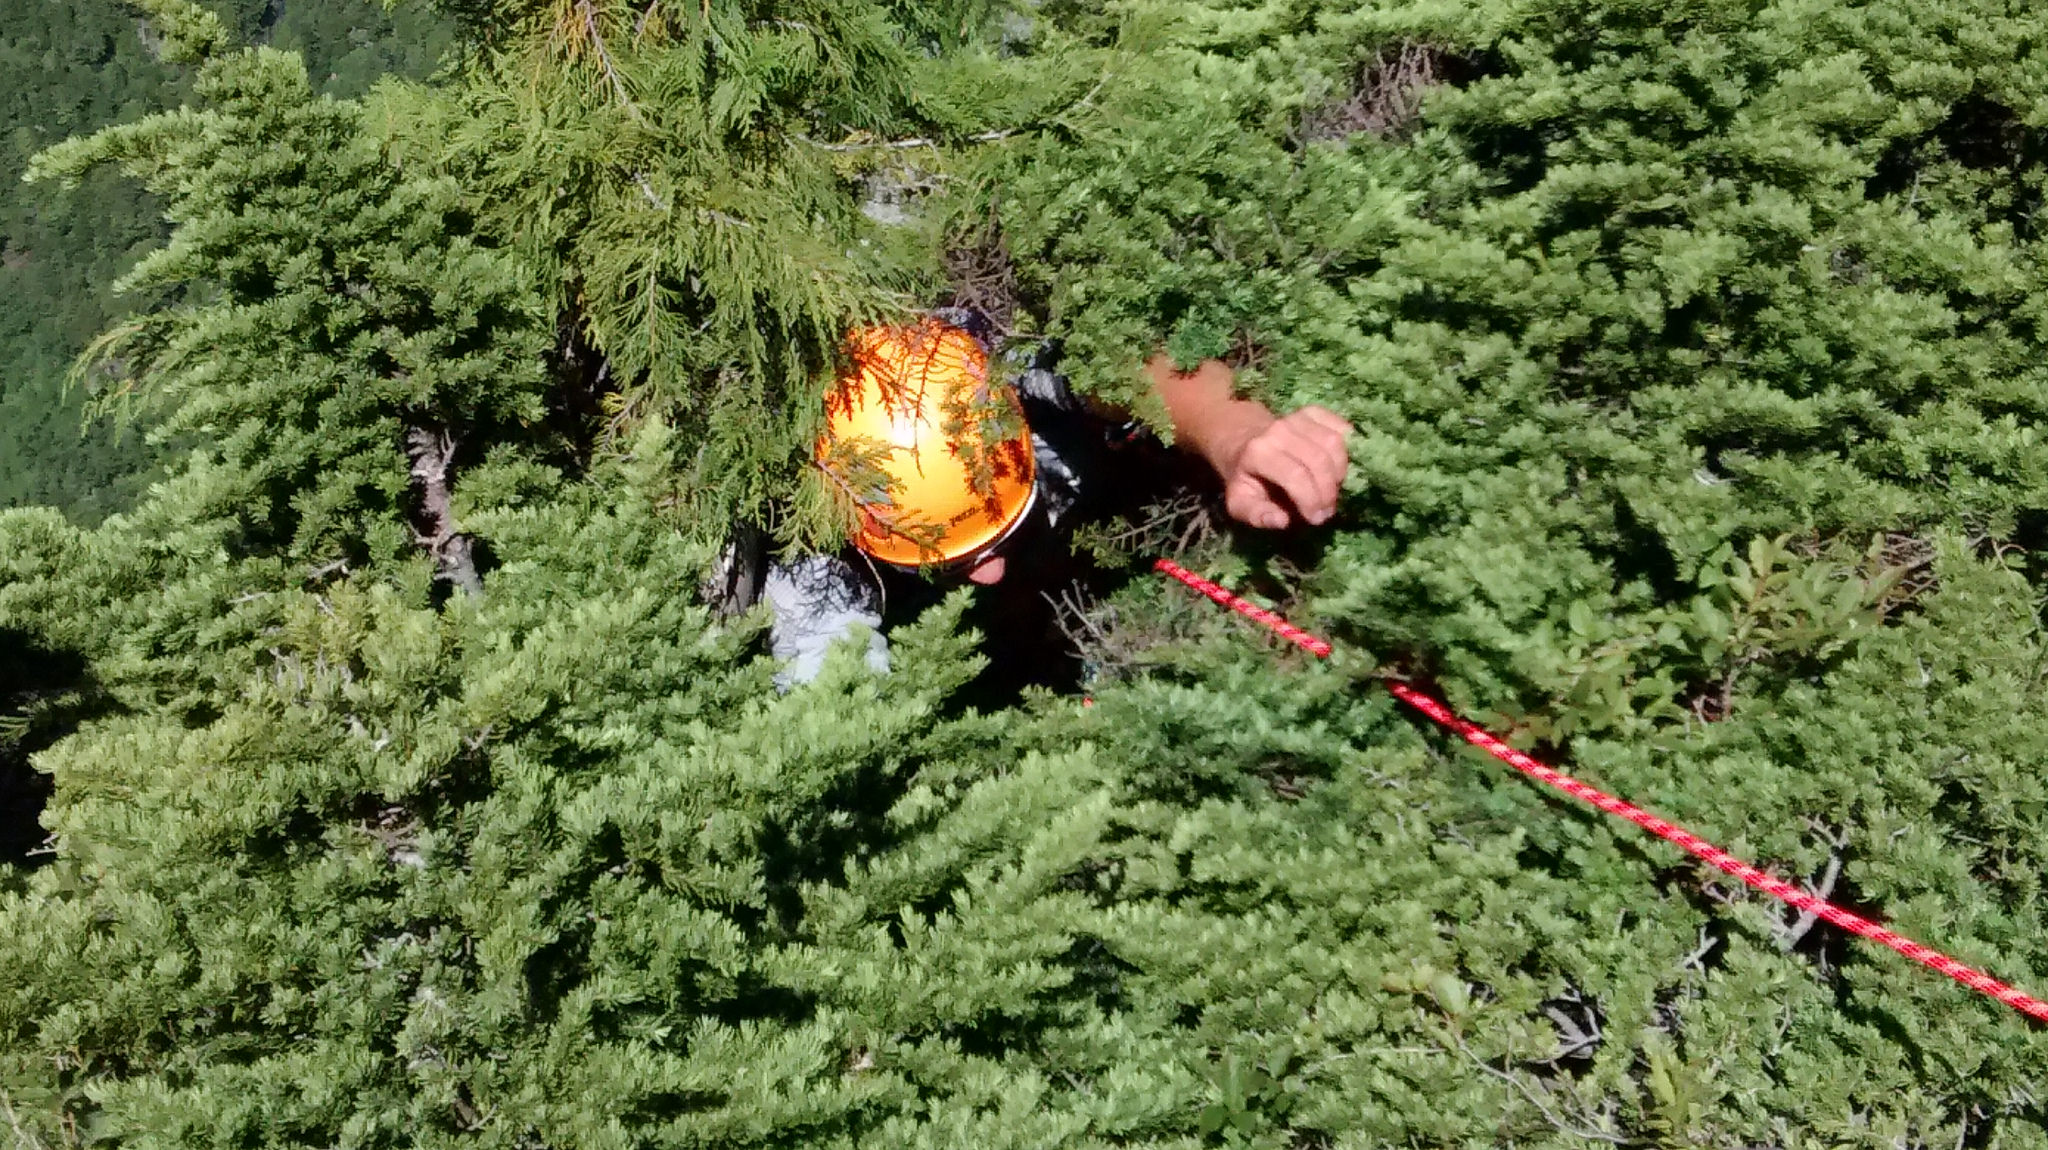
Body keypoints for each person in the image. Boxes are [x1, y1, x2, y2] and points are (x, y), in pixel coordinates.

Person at [749, 310, 1352, 688]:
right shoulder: (812, 558)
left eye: (998, 537)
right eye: (946, 558)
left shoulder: (994, 376)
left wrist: (1236, 435)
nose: (991, 573)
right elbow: (828, 687)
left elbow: (1126, 368)